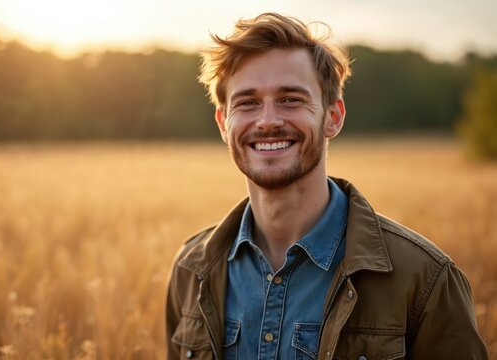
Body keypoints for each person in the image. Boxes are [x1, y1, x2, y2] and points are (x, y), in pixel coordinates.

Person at [165, 12, 488, 359]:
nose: (268, 120)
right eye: (247, 102)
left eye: (291, 99)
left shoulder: (425, 279)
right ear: (223, 124)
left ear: (333, 116)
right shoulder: (191, 269)